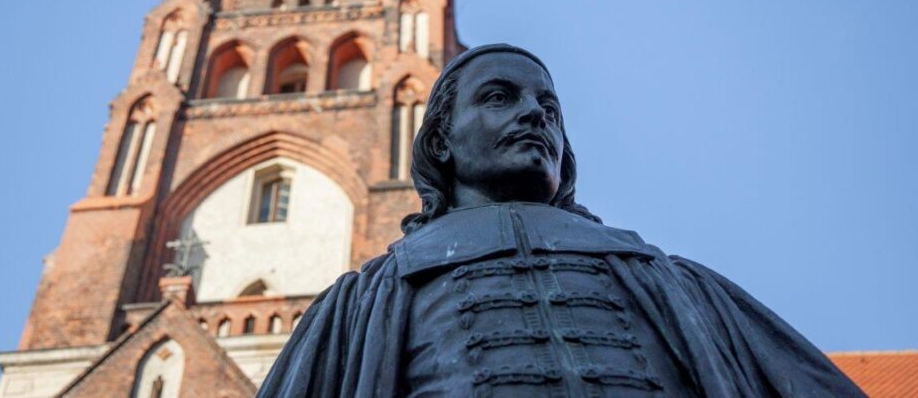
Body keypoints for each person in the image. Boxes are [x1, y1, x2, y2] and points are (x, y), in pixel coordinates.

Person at [258, 44, 862, 396]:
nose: (535, 116)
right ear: (440, 140)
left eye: (548, 106)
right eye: (500, 98)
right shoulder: (363, 302)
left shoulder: (673, 281)